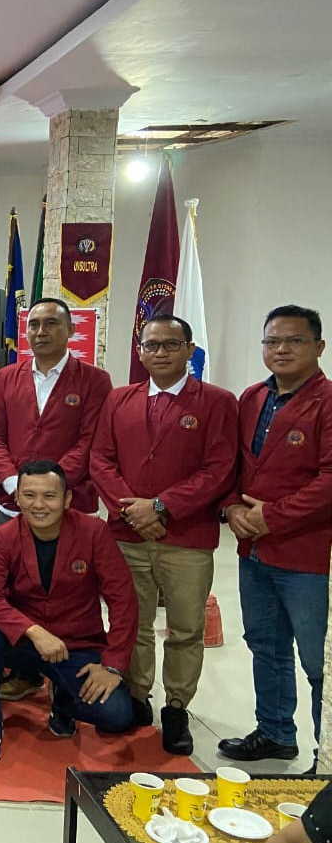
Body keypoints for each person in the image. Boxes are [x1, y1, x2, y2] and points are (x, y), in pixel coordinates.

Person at [90, 313, 238, 754]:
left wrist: (161, 507)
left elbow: (220, 468)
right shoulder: (119, 399)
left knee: (186, 628)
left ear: (189, 351)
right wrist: (134, 510)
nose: (159, 352)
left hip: (186, 537)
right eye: (151, 345)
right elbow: (100, 460)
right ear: (139, 352)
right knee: (130, 621)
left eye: (170, 345)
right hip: (126, 534)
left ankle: (176, 707)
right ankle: (138, 696)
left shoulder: (217, 401)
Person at [218, 304, 331, 771]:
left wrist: (273, 517)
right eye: (271, 341)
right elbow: (231, 464)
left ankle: (326, 755)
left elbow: (329, 479)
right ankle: (276, 732)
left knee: (317, 661)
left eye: (294, 341)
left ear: (318, 347)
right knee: (265, 643)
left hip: (305, 555)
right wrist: (231, 507)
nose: (281, 349)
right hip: (253, 550)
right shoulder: (251, 398)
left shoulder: (327, 402)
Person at [0, 460, 137, 763]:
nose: (39, 505)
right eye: (29, 495)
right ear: (16, 498)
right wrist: (33, 631)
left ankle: (65, 702)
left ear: (67, 499)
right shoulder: (2, 537)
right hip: (22, 641)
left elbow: (123, 600)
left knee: (118, 715)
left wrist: (112, 666)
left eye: (50, 496)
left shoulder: (94, 532)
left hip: (77, 645)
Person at [0, 297, 112, 702]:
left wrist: (49, 489)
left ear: (71, 330)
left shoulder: (94, 380)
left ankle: (67, 673)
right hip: (12, 502)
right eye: (34, 324)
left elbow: (91, 441)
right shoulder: (7, 377)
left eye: (51, 323)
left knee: (68, 589)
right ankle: (25, 672)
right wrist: (12, 485)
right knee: (20, 589)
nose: (41, 332)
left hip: (70, 504)